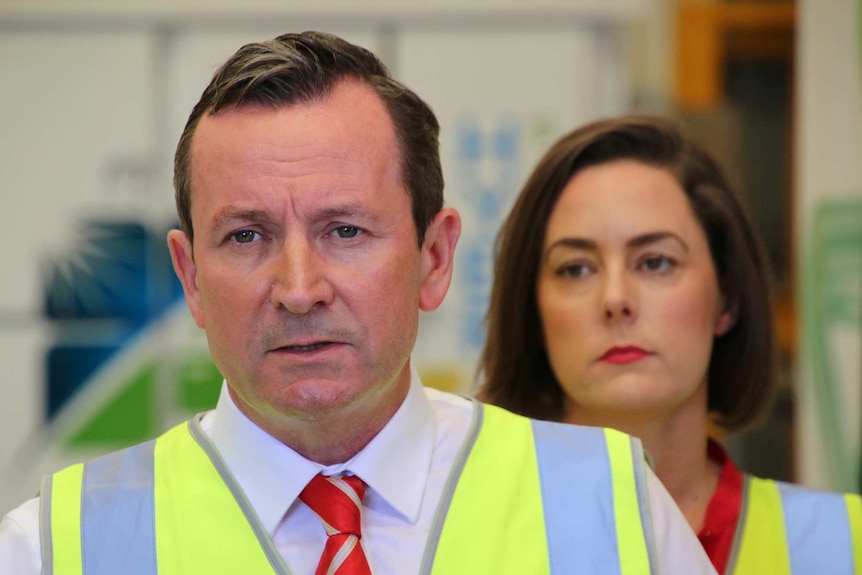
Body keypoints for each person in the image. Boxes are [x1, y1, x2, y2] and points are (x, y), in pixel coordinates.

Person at [0, 33, 717, 574]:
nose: (300, 288)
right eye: (247, 235)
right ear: (190, 277)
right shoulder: (60, 547)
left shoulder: (611, 511)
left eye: (345, 230)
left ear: (433, 258)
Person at [477, 115, 862, 574]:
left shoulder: (844, 543)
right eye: (576, 268)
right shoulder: (454, 541)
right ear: (532, 313)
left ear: (727, 299)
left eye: (655, 262)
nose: (616, 298)